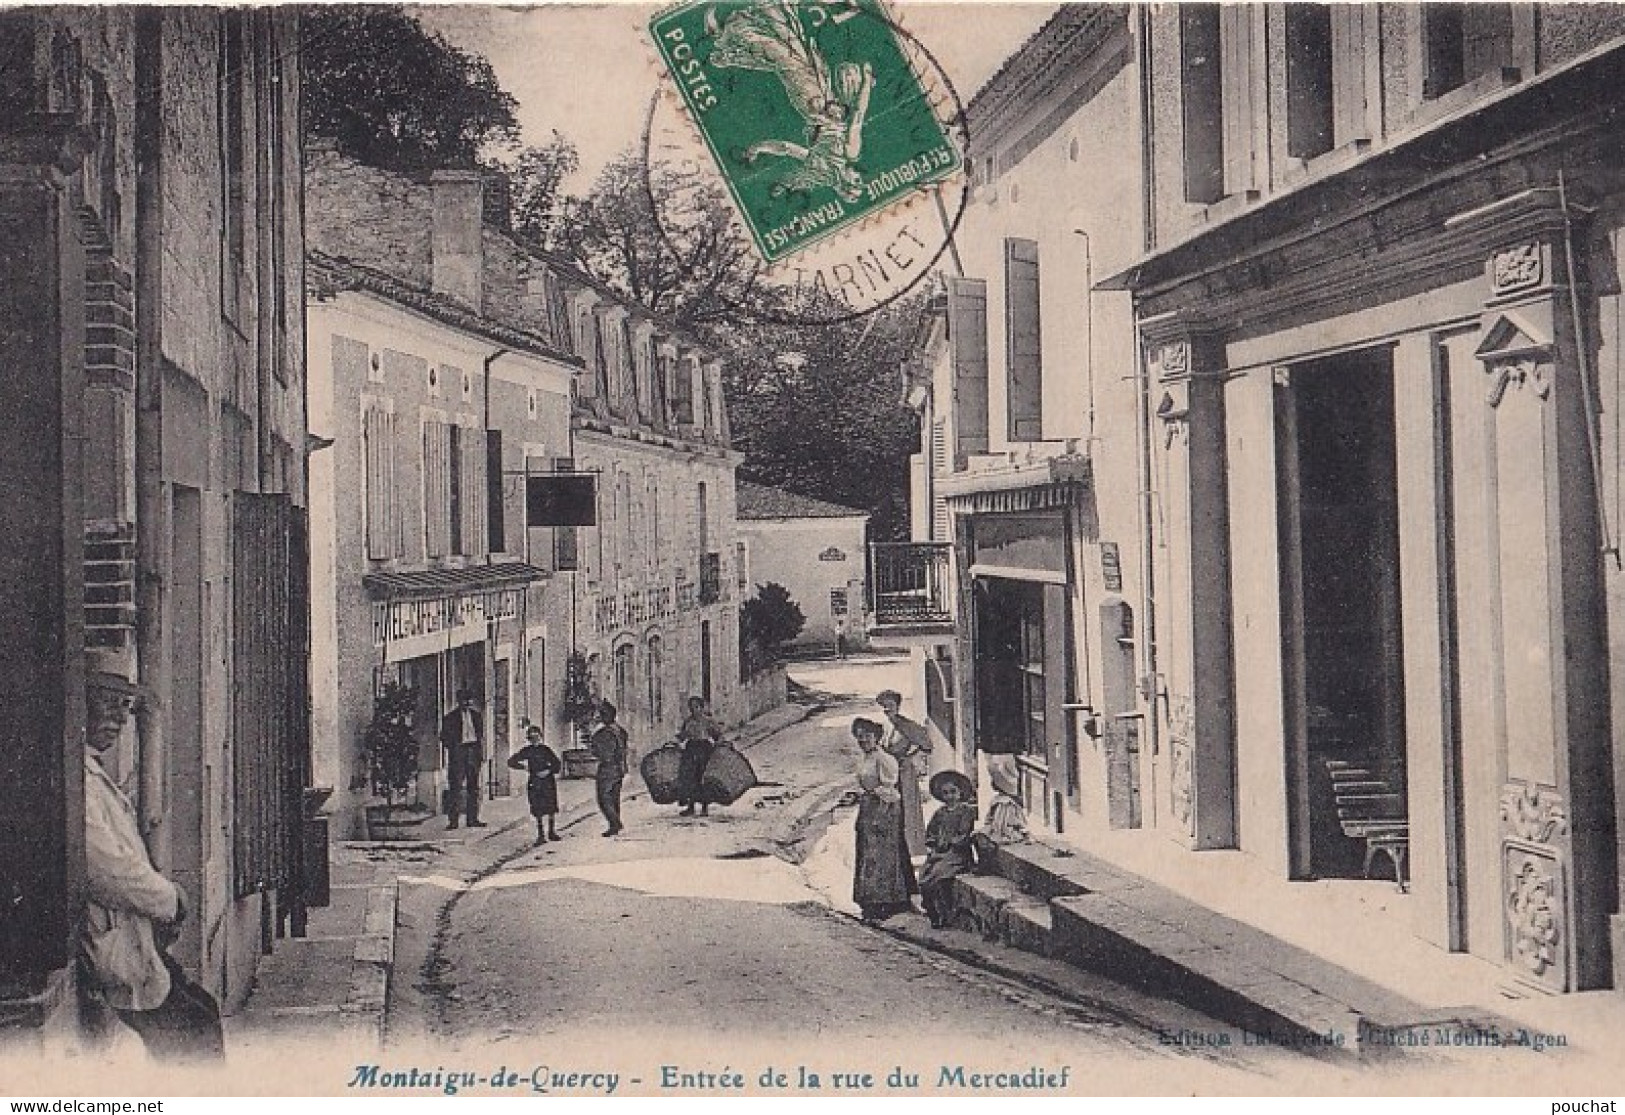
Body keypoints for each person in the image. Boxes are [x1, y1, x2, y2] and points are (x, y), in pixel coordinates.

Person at [81, 648, 225, 1062]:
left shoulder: (92, 773)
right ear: (80, 706)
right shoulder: (78, 781)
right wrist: (171, 900)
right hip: (111, 950)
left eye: (124, 707)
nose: (120, 719)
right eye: (107, 704)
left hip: (132, 945)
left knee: (200, 1016)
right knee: (193, 1034)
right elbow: (106, 870)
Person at [850, 717, 918, 922]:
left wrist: (880, 814)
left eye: (867, 736)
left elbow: (888, 789)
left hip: (884, 809)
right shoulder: (865, 758)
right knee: (868, 853)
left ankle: (888, 902)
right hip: (869, 807)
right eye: (859, 736)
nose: (863, 740)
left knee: (883, 854)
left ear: (877, 737)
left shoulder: (884, 759)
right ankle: (870, 900)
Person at [918, 771, 978, 930]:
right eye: (945, 793)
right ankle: (933, 913)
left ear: (960, 793)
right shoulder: (940, 813)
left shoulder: (966, 812)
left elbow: (963, 835)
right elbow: (930, 833)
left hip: (957, 855)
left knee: (938, 875)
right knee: (924, 876)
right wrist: (933, 846)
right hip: (939, 853)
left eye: (953, 792)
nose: (950, 796)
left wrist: (950, 843)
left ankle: (945, 915)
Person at [876, 690, 931, 858]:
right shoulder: (884, 727)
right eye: (884, 706)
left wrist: (910, 758)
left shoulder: (907, 726)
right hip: (887, 773)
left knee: (907, 808)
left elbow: (927, 745)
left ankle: (912, 848)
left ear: (897, 706)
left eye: (890, 705)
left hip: (904, 772)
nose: (887, 709)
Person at [971, 754, 1030, 868]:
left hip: (1006, 830)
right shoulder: (998, 800)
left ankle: (987, 865)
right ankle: (983, 862)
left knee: (985, 839)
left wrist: (994, 829)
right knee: (977, 836)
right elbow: (990, 818)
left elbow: (1006, 821)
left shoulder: (1006, 803)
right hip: (996, 827)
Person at [439, 689, 486, 829]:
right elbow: (443, 737)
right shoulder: (450, 718)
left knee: (473, 788)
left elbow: (480, 737)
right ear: (459, 702)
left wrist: (479, 755)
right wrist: (454, 747)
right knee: (455, 788)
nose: (467, 703)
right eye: (464, 701)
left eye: (469, 701)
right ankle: (453, 821)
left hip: (472, 753)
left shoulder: (477, 716)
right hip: (458, 754)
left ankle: (473, 819)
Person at [508, 723, 562, 844]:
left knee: (551, 807)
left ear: (540, 736)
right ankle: (541, 835)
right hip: (535, 781)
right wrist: (524, 767)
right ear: (528, 739)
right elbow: (511, 761)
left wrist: (548, 771)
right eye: (531, 738)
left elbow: (557, 764)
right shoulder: (527, 751)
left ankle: (551, 832)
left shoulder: (546, 750)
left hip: (548, 781)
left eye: (536, 737)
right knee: (537, 807)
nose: (534, 740)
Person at [676, 695, 722, 817]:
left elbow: (717, 735)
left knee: (703, 778)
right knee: (690, 778)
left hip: (704, 748)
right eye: (691, 707)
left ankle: (704, 808)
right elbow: (683, 737)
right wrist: (680, 737)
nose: (694, 710)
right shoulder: (688, 721)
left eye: (696, 707)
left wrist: (718, 745)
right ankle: (690, 807)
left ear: (702, 708)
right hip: (691, 748)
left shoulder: (708, 721)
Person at [590, 701, 629, 837]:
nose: (599, 717)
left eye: (601, 714)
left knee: (603, 797)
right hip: (620, 768)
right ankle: (614, 825)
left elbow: (602, 753)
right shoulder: (620, 730)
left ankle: (615, 823)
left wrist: (594, 746)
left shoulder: (604, 733)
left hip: (608, 768)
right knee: (614, 797)